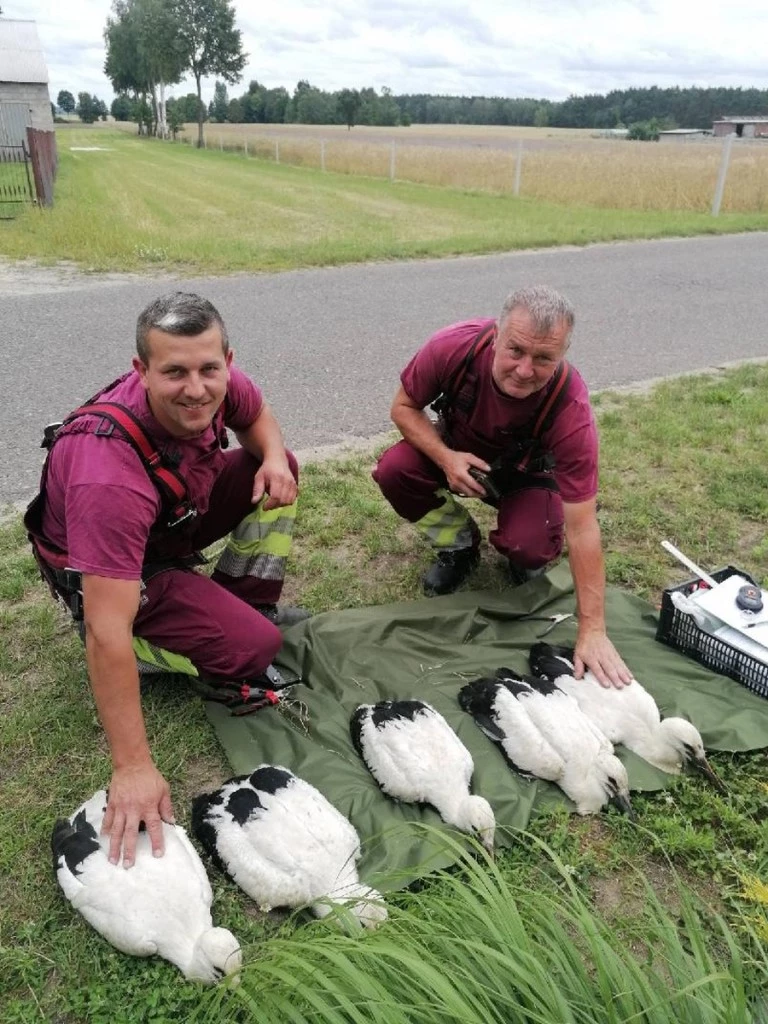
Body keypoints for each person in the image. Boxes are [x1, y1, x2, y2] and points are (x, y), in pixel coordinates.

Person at [25, 291, 306, 869]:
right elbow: (107, 629)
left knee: (277, 471)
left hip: (171, 518)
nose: (196, 388)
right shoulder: (108, 478)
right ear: (141, 371)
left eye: (209, 369)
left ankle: (243, 602)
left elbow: (255, 417)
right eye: (174, 372)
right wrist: (132, 766)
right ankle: (164, 639)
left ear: (228, 360)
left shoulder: (215, 382)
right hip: (118, 563)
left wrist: (274, 457)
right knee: (253, 651)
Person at [372, 284, 632, 690]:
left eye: (544, 358)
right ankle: (459, 546)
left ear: (562, 355)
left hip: (525, 475)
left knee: (529, 546)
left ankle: (522, 553)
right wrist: (445, 457)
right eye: (516, 351)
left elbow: (583, 526)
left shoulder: (571, 407)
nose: (525, 370)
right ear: (496, 336)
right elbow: (402, 407)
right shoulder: (453, 347)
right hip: (458, 453)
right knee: (395, 469)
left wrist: (593, 630)